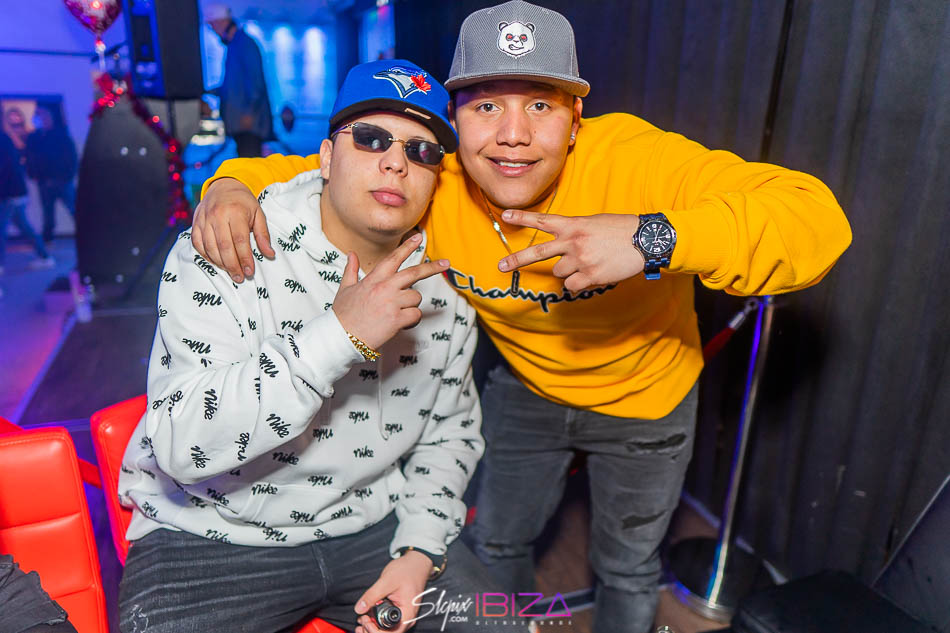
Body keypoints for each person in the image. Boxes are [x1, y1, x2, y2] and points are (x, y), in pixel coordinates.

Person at [190, 2, 854, 631]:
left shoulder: (633, 161)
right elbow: (310, 170)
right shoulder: (434, 181)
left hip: (648, 398)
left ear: (576, 119)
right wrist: (227, 184)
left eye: (540, 104)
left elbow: (815, 220)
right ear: (455, 119)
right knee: (496, 541)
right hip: (526, 390)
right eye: (486, 106)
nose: (513, 134)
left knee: (627, 567)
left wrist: (649, 236)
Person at [117, 59, 497, 633]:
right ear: (324, 157)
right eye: (371, 139)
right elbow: (181, 444)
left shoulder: (444, 295)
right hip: (210, 529)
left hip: (370, 525)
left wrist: (418, 552)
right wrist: (338, 335)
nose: (396, 162)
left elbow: (450, 436)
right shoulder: (228, 245)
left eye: (421, 152)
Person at [205, 3, 273, 157]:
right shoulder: (236, 45)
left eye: (212, 25)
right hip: (242, 124)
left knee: (249, 164)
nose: (213, 30)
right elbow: (233, 87)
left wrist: (249, 114)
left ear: (221, 22)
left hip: (248, 125)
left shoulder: (244, 44)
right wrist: (208, 91)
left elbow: (255, 83)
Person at [1, 130, 54, 274]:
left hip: (9, 193)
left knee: (4, 228)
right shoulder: (5, 139)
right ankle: (45, 256)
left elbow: (4, 168)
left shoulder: (3, 140)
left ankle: (45, 257)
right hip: (14, 191)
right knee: (23, 226)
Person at [24, 105, 77, 243]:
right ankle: (47, 240)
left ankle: (88, 235)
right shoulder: (33, 138)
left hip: (63, 181)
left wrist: (68, 176)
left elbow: (71, 157)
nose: (42, 119)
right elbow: (29, 157)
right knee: (48, 214)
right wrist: (33, 175)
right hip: (44, 182)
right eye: (39, 116)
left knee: (74, 209)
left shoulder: (61, 135)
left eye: (45, 116)